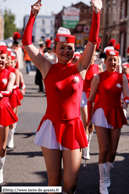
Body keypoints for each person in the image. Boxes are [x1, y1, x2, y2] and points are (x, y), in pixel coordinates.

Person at [22, 0, 102, 193]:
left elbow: (92, 41)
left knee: (71, 183)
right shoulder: (46, 67)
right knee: (53, 181)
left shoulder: (80, 68)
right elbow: (26, 43)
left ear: (74, 50)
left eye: (70, 47)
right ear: (55, 49)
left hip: (73, 127)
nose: (66, 50)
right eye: (62, 47)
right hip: (52, 126)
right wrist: (32, 15)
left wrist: (96, 13)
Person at [87, 49, 129, 194]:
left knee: (113, 150)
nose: (112, 62)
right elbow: (91, 99)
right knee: (104, 149)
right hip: (100, 114)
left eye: (115, 60)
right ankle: (102, 181)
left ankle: (107, 174)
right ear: (104, 62)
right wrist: (89, 119)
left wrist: (126, 102)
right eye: (110, 59)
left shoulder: (122, 77)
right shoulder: (98, 77)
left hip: (116, 113)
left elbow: (126, 95)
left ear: (118, 62)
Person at [0, 43, 18, 184]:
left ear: (6, 60)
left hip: (3, 110)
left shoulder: (11, 73)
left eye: (2, 58)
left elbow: (9, 90)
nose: (0, 60)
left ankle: (0, 169)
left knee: (2, 145)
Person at [80, 50, 101, 160]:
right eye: (90, 55)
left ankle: (87, 145)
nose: (92, 58)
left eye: (93, 56)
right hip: (83, 96)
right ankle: (85, 149)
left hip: (94, 98)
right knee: (86, 121)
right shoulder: (82, 67)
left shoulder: (99, 68)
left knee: (91, 124)